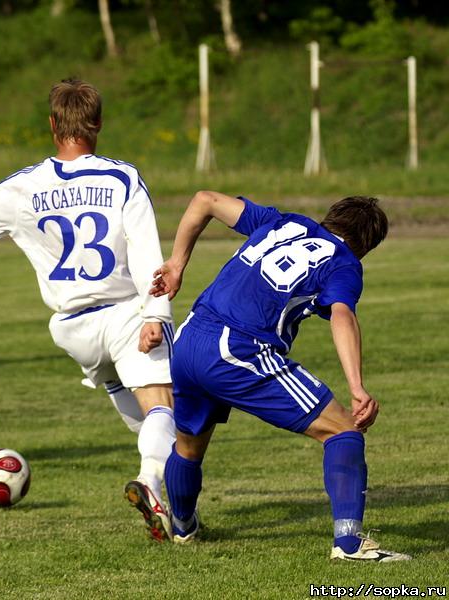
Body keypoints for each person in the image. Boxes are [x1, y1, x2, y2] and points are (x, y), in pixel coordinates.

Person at [0, 79, 177, 540]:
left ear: (52, 124)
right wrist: (156, 313)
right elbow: (146, 253)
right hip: (123, 314)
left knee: (136, 405)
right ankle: (152, 481)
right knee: (163, 406)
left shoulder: (23, 187)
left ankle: (165, 493)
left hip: (72, 328)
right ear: (98, 123)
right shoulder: (121, 179)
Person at [151, 191, 411, 561]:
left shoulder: (284, 221)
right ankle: (350, 545)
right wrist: (357, 387)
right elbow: (342, 315)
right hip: (236, 349)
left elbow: (205, 199)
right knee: (343, 430)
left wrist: (177, 263)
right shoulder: (343, 263)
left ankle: (183, 528)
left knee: (189, 447)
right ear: (365, 247)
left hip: (191, 337)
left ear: (330, 218)